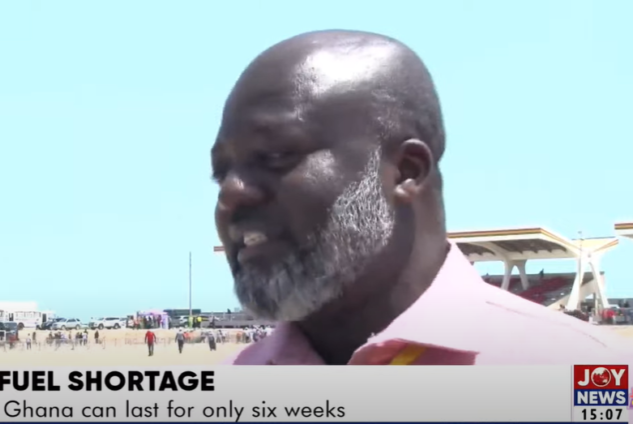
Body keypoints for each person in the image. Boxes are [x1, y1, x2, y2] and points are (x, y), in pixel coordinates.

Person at [212, 30, 633, 365]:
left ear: (406, 171)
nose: (230, 194)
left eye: (276, 156)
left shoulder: (586, 377)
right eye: (221, 174)